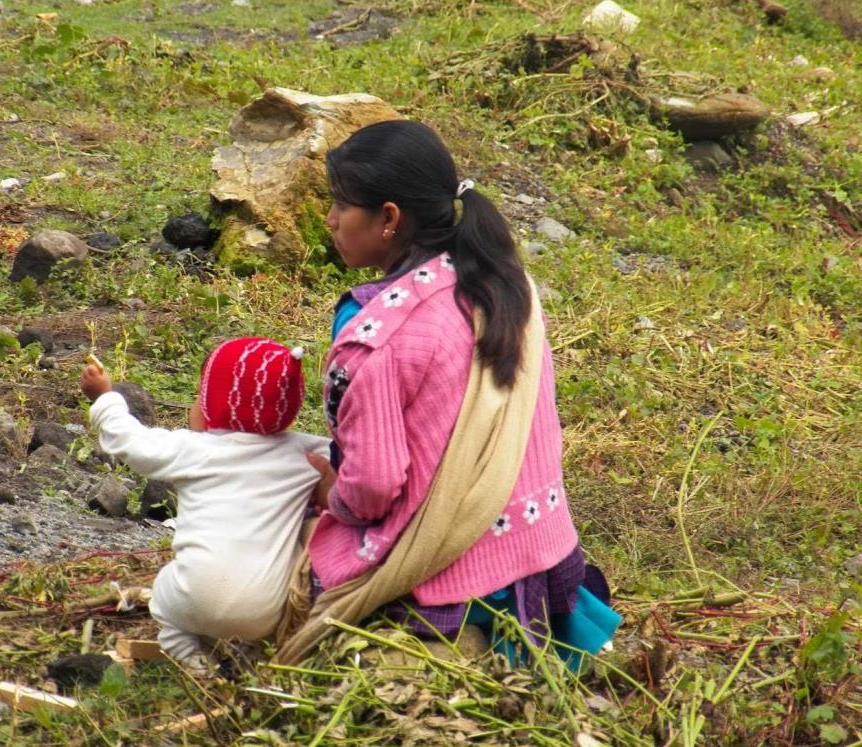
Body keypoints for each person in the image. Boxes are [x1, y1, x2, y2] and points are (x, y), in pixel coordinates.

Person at [275, 120, 620, 670]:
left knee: (286, 556)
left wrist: (330, 493)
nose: (331, 220)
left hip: (451, 569)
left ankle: (450, 645)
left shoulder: (374, 333)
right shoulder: (505, 282)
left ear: (389, 218)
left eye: (341, 205)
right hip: (539, 550)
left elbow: (373, 488)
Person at [81, 338, 330, 671]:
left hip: (192, 595)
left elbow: (131, 441)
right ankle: (260, 660)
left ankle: (197, 664)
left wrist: (105, 398)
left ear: (217, 405)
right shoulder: (307, 455)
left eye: (202, 396)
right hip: (269, 611)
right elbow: (350, 464)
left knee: (164, 604)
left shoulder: (195, 450)